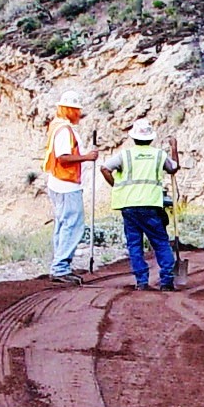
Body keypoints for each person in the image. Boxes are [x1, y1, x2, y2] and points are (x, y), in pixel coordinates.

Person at [102, 122, 182, 290]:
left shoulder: (125, 155)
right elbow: (173, 168)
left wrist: (117, 186)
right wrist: (174, 147)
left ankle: (142, 281)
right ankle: (167, 280)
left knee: (134, 243)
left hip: (128, 205)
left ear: (134, 137)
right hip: (151, 204)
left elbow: (105, 168)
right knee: (160, 241)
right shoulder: (159, 155)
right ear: (151, 138)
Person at [41, 87, 96, 284]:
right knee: (72, 226)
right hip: (66, 184)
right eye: (76, 110)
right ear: (69, 110)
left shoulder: (57, 125)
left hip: (59, 183)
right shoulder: (64, 130)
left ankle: (59, 265)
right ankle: (60, 268)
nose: (79, 114)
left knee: (63, 224)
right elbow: (63, 158)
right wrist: (86, 158)